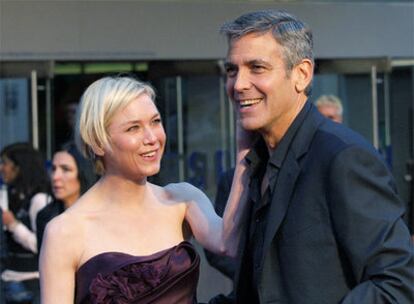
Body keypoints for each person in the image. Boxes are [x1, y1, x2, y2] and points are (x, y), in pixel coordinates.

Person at [220, 9, 414, 303]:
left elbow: (397, 283)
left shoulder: (343, 158)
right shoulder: (258, 162)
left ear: (301, 74)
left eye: (257, 68)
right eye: (232, 70)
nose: (239, 84)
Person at [39, 76, 250, 304]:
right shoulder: (64, 232)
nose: (152, 138)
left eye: (156, 121)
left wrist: (244, 150)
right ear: (97, 142)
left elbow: (229, 243)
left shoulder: (182, 200)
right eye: (133, 128)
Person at [0, 143, 51, 304]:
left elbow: (41, 244)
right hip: (9, 277)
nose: (2, 168)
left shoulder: (38, 199)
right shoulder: (11, 194)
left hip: (29, 282)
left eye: (5, 163)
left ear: (19, 166)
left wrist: (14, 225)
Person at [36, 141, 97, 253]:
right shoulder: (45, 217)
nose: (55, 177)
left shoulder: (102, 215)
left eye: (65, 169)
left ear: (83, 173)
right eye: (53, 169)